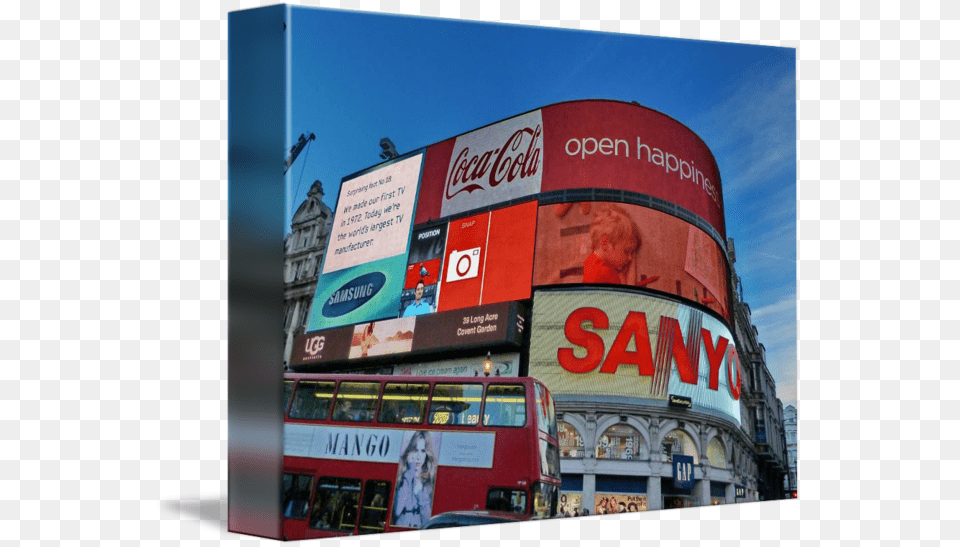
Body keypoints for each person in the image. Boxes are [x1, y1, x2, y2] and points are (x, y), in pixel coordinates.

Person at [582, 203, 640, 284]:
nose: (630, 258)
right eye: (626, 251)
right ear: (605, 243)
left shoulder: (589, 261)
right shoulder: (605, 273)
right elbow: (628, 293)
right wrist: (633, 263)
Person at [392, 431, 437, 528]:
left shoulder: (429, 482)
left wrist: (420, 493)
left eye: (423, 451)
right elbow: (397, 511)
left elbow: (427, 521)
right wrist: (409, 473)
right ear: (410, 452)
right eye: (415, 450)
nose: (418, 456)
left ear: (426, 454)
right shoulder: (402, 478)